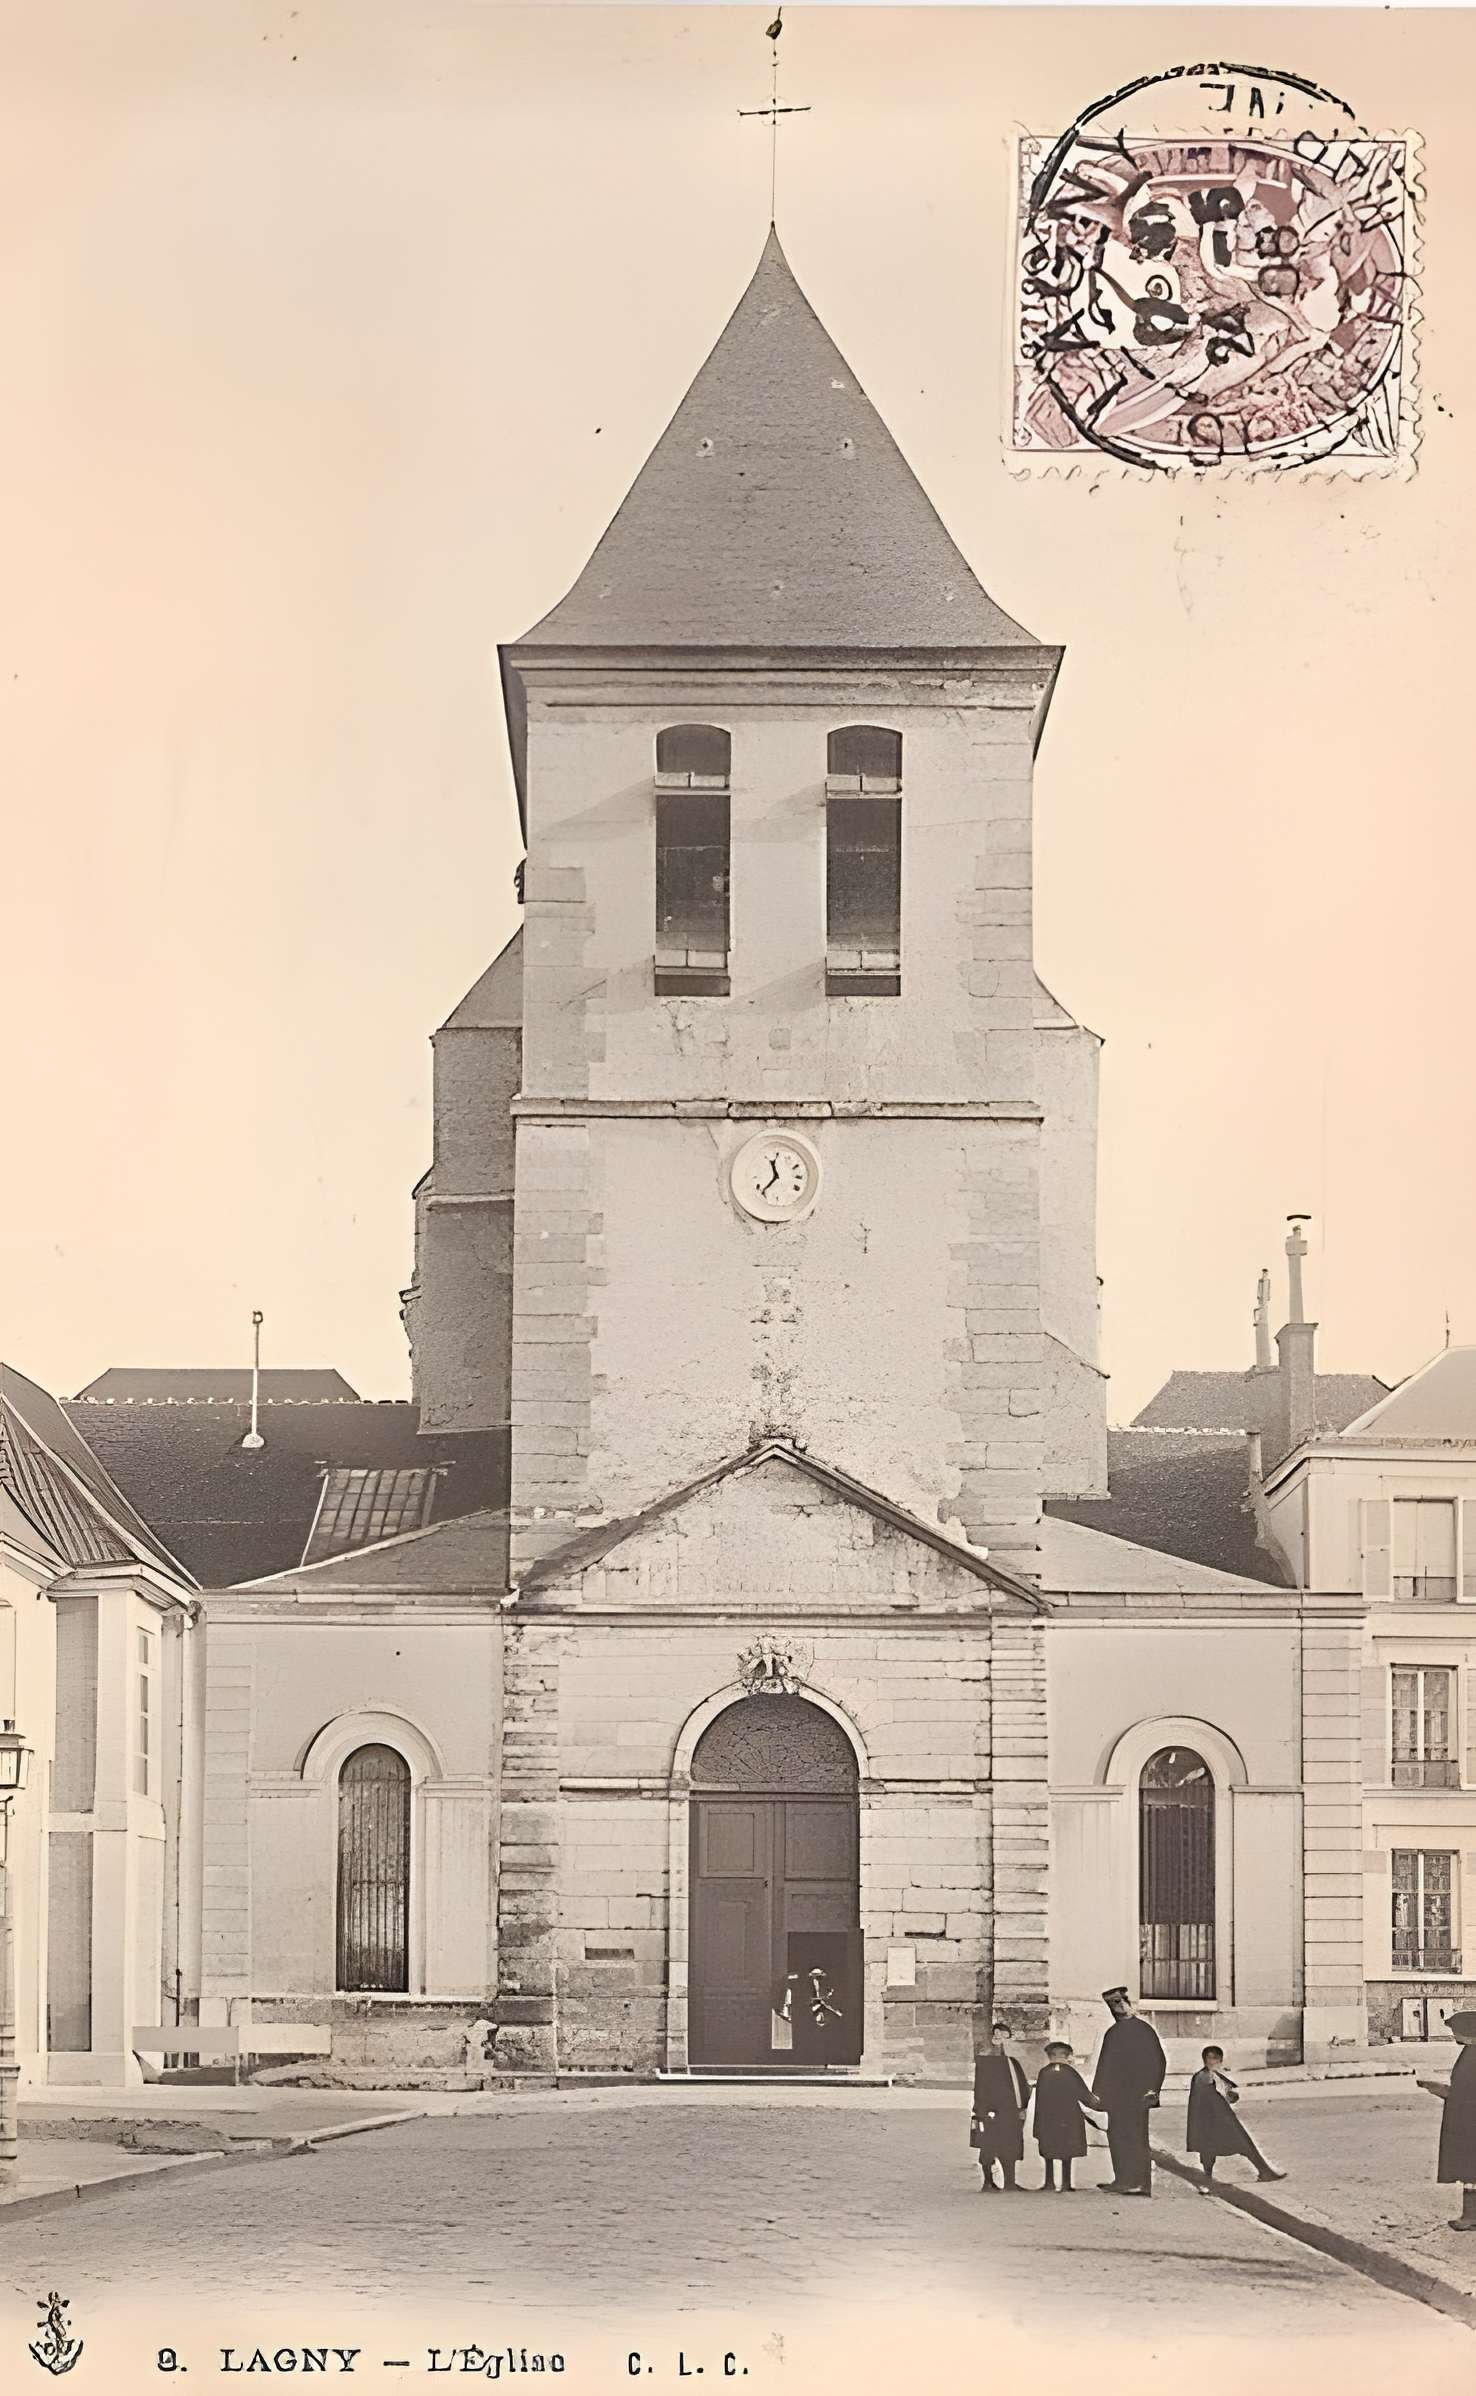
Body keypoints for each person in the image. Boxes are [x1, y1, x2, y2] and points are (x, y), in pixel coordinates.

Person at [1091, 1986, 1166, 2196]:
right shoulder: (1113, 2032)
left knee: (1136, 2138)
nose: (1118, 2008)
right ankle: (1122, 2179)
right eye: (1113, 2005)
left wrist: (1153, 2090)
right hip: (1116, 2097)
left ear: (1128, 2003)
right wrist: (1098, 2094)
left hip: (1137, 2096)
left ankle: (1141, 2183)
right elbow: (1104, 2066)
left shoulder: (1143, 2030)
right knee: (1117, 2137)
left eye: (1120, 2003)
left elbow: (1158, 2062)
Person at [1186, 2046, 1286, 2190]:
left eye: (1215, 2058)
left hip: (1224, 2119)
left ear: (1220, 2060)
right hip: (1209, 2121)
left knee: (1244, 2145)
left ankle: (1264, 2172)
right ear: (1204, 2059)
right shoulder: (1202, 2076)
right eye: (1209, 2058)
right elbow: (1202, 2101)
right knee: (1209, 2150)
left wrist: (1229, 2094)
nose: (1212, 2061)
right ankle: (1207, 2180)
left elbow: (1229, 2096)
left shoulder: (1217, 2076)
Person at [1419, 2007, 1476, 2230]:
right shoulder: (1470, 2053)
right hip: (1467, 2117)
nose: (1454, 2036)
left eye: (1456, 2031)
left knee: (1470, 2169)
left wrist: (1441, 2090)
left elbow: (1466, 2092)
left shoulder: (1472, 2057)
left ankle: (1471, 2217)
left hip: (1469, 2121)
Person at [1031, 2038, 1101, 2192]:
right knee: (1066, 2150)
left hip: (1047, 2118)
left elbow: (1039, 2100)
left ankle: (1049, 2183)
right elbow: (1084, 2095)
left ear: (1050, 2056)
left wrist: (1037, 2126)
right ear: (1066, 2055)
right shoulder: (1070, 2073)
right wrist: (1100, 2105)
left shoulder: (1044, 2073)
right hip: (1068, 2118)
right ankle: (1066, 2184)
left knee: (1048, 2149)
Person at [971, 2021, 1030, 2193]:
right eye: (997, 2036)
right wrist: (981, 2111)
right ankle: (988, 2182)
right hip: (991, 2111)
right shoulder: (985, 2063)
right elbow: (981, 2089)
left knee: (1010, 2146)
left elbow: (1021, 2086)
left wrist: (1022, 2107)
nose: (1000, 2040)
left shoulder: (1012, 2062)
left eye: (1004, 2036)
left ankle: (1010, 2182)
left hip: (1011, 2110)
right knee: (988, 2146)